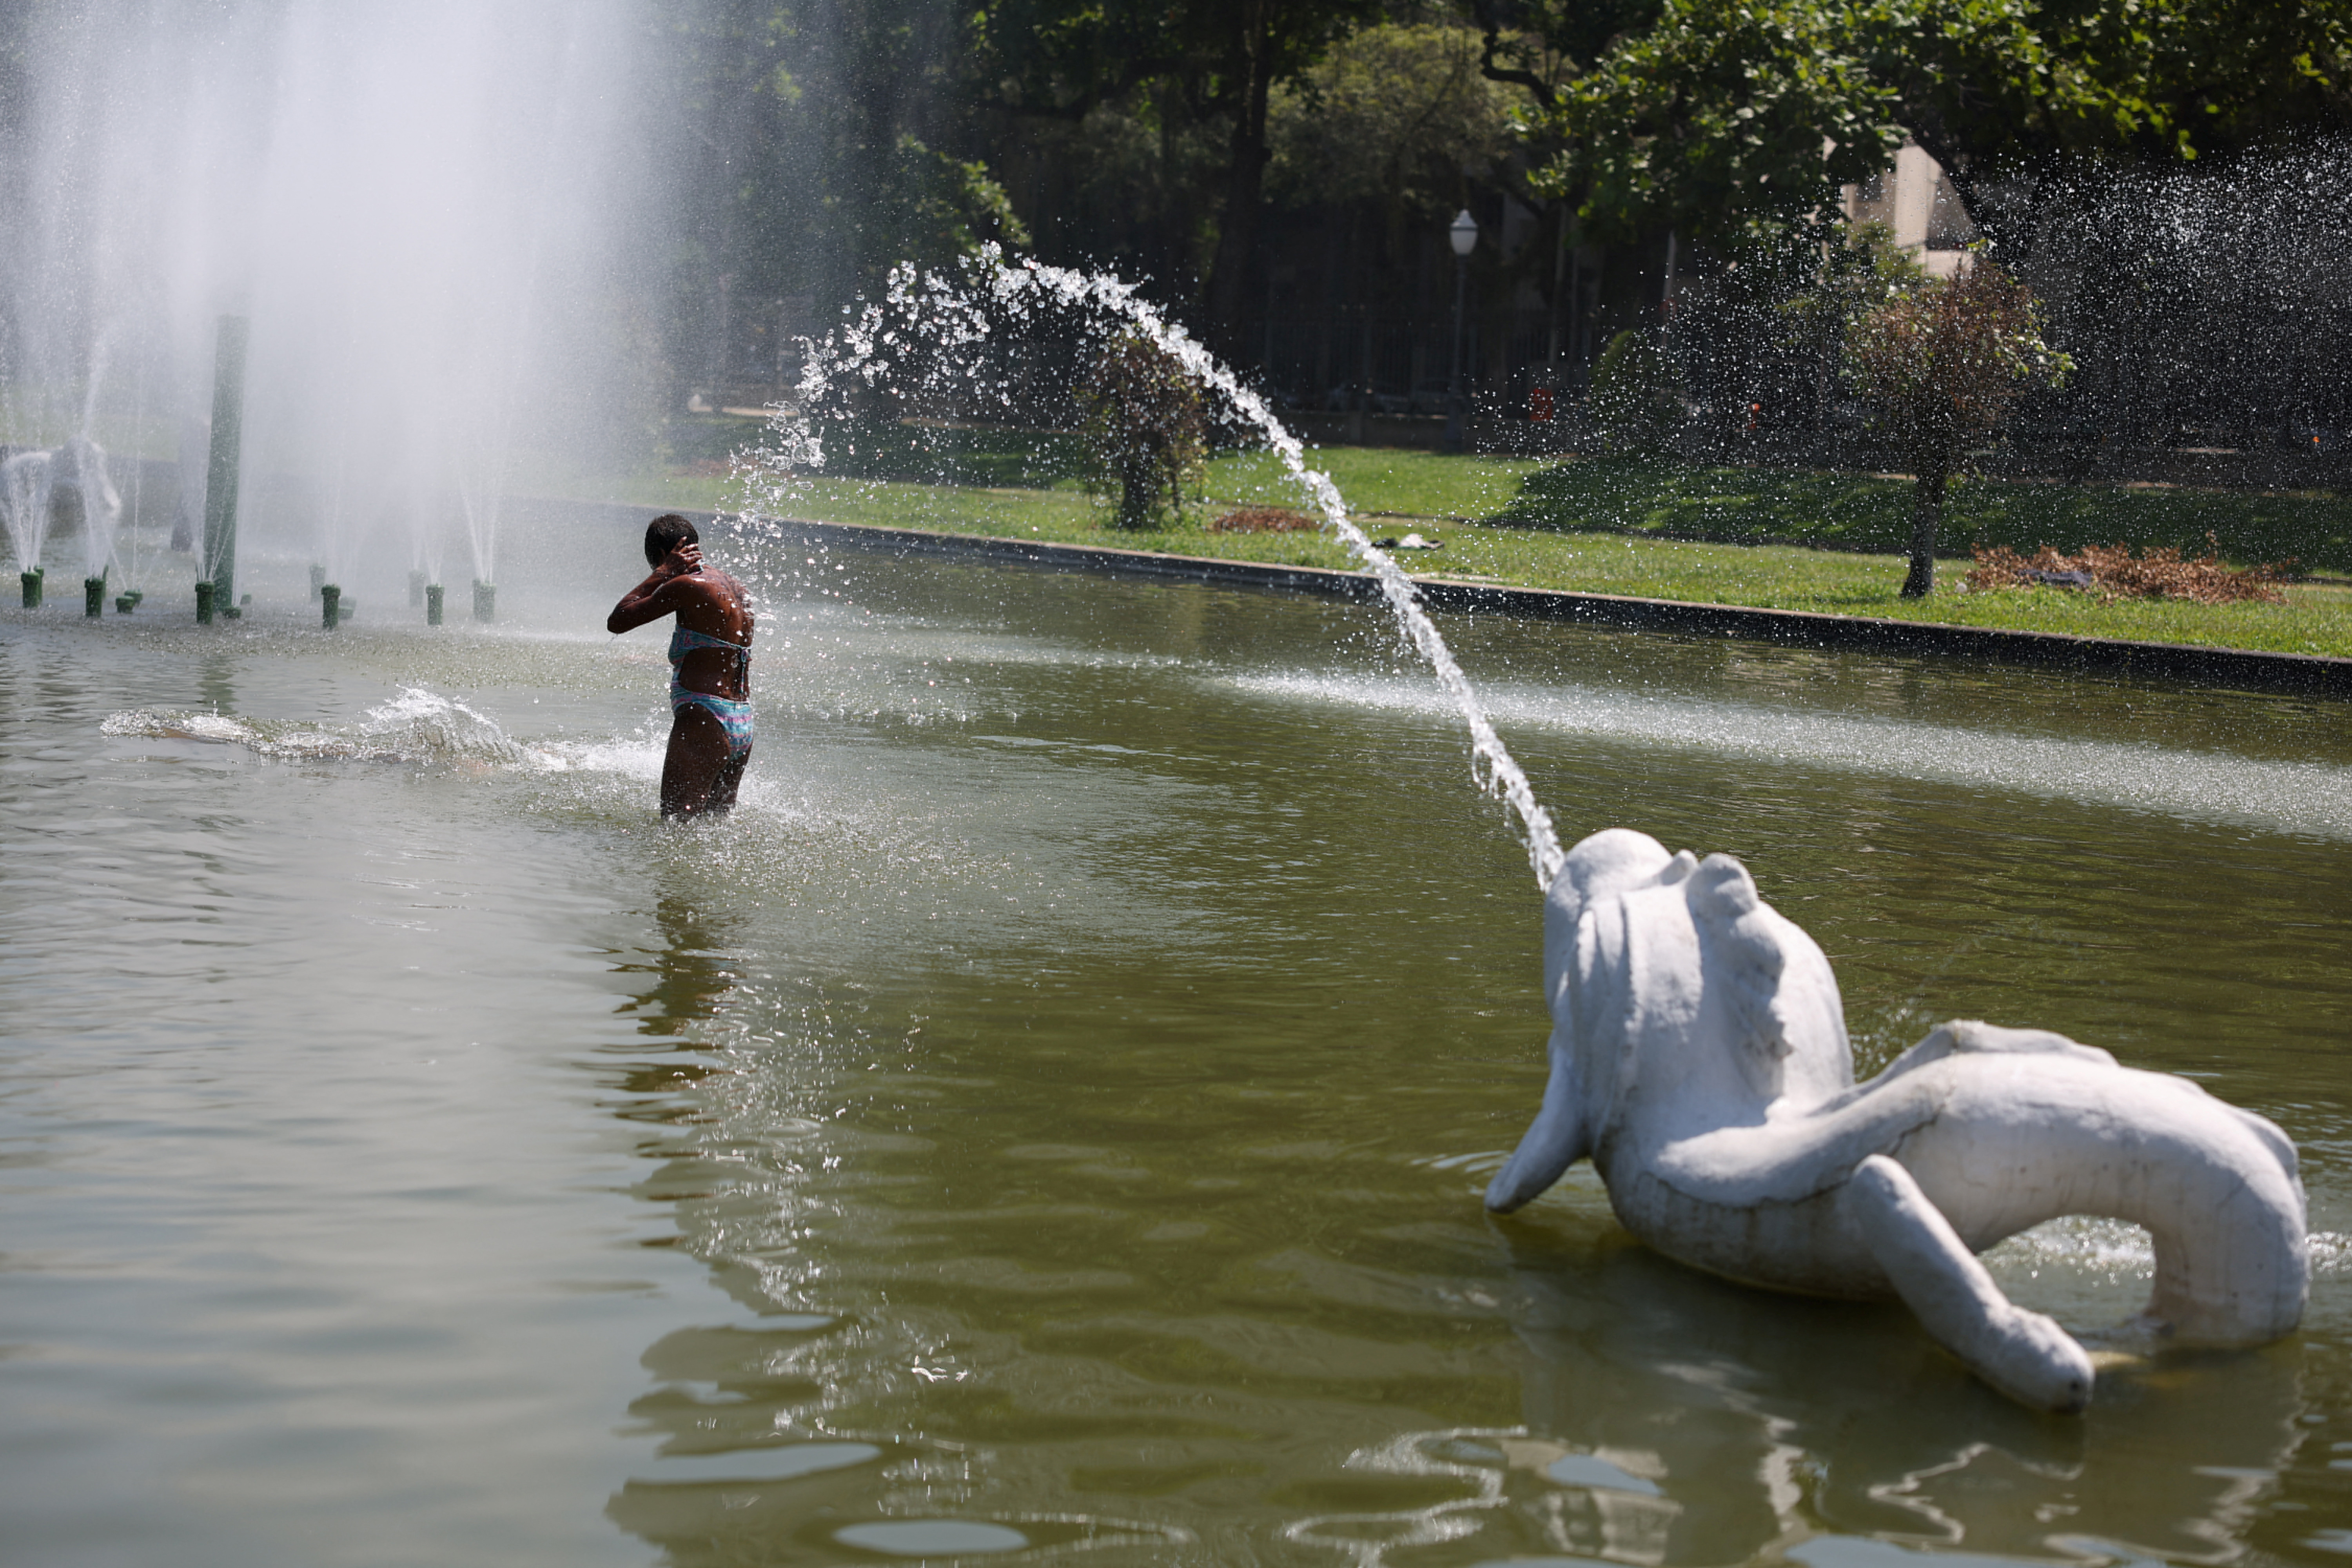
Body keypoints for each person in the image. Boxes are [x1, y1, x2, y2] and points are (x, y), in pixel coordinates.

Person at [607, 514, 756, 817]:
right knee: (715, 831)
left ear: (665, 556)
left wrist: (661, 574)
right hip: (741, 721)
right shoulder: (736, 587)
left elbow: (618, 620)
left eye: (659, 565)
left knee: (676, 827)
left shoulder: (688, 585)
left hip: (705, 717)